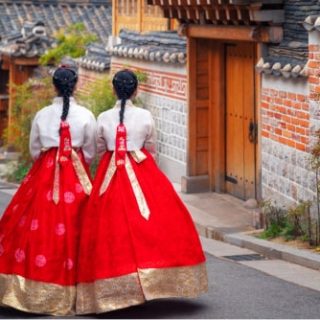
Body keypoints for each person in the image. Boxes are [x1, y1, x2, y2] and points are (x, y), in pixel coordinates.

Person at [76, 69, 207, 315]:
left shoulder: (103, 117)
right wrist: (148, 171)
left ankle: (115, 286)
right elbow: (151, 147)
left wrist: (111, 163)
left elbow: (101, 149)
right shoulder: (146, 115)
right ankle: (153, 280)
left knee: (111, 229)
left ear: (113, 90)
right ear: (136, 90)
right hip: (142, 167)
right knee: (152, 226)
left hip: (111, 171)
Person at [0, 64, 96, 315]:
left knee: (34, 224)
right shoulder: (86, 114)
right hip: (75, 171)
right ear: (75, 86)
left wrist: (46, 163)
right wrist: (76, 162)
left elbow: (34, 149)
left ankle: (30, 287)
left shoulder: (43, 114)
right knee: (80, 223)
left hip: (45, 171)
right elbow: (90, 151)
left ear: (54, 86)